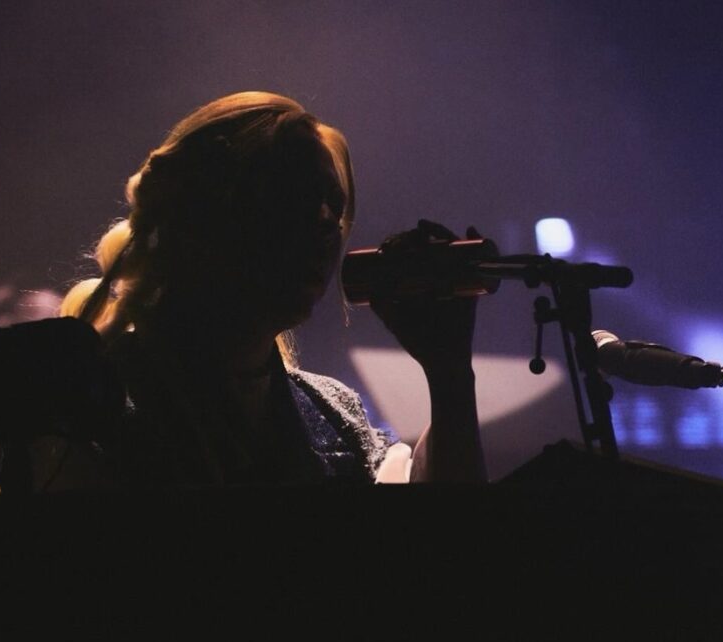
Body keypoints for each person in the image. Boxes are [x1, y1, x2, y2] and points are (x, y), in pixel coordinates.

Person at [31, 91, 485, 490]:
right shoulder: (87, 410)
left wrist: (448, 372)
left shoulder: (336, 414)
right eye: (294, 198)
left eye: (334, 206)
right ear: (203, 216)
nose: (326, 223)